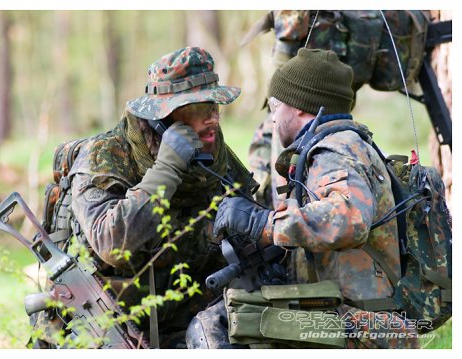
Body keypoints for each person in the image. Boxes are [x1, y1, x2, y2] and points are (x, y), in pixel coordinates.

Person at [194, 48, 419, 349]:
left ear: (300, 107)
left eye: (275, 106)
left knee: (215, 327)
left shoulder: (333, 150)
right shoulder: (342, 145)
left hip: (362, 328)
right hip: (352, 316)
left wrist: (265, 223)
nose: (272, 118)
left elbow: (350, 218)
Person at [61, 46, 257, 348]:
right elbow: (111, 243)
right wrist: (167, 169)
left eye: (214, 106)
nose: (213, 119)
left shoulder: (215, 157)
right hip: (114, 321)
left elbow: (249, 228)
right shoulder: (104, 157)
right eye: (198, 109)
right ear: (162, 118)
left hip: (194, 319)